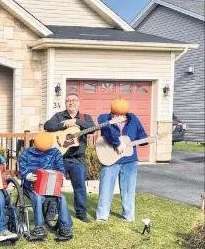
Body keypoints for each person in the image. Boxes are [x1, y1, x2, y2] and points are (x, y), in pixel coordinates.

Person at [44, 93, 95, 223]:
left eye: (73, 100)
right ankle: (51, 210)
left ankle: (81, 213)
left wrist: (76, 122)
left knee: (80, 187)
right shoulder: (59, 116)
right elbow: (48, 126)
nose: (71, 103)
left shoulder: (85, 117)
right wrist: (65, 125)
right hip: (60, 157)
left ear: (78, 102)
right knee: (54, 185)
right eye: (68, 101)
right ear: (65, 103)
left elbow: (92, 129)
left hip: (78, 158)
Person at [96, 99, 148, 222]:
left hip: (129, 159)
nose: (119, 116)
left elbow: (141, 133)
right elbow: (108, 131)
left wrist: (144, 140)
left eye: (122, 114)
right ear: (112, 111)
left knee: (129, 189)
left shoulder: (133, 118)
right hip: (110, 159)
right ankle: (102, 216)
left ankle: (128, 216)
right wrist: (117, 143)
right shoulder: (104, 118)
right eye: (116, 114)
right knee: (106, 188)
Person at [18, 132, 74, 240]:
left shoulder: (55, 153)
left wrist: (61, 176)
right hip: (31, 186)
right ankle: (38, 227)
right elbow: (22, 168)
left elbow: (60, 167)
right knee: (38, 197)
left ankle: (65, 227)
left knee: (61, 197)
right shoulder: (26, 153)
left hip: (50, 186)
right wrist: (27, 175)